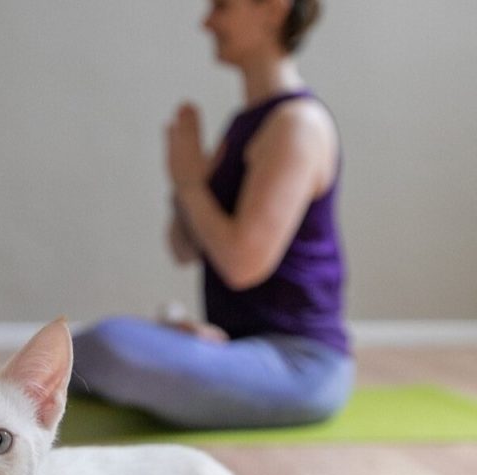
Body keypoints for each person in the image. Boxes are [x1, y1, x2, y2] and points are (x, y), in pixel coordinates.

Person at [71, 0, 352, 428]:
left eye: (221, 6)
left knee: (108, 346)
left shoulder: (298, 125)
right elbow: (183, 247)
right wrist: (183, 185)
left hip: (299, 365)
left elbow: (241, 266)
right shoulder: (247, 124)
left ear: (273, 10)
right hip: (237, 347)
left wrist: (189, 183)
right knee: (84, 349)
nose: (206, 22)